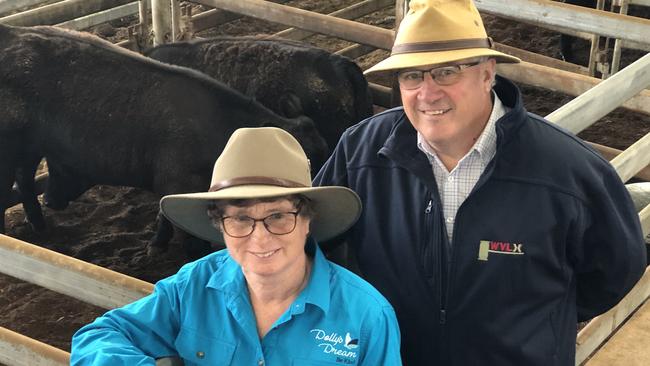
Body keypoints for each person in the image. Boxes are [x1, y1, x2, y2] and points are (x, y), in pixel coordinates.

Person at [313, 0, 647, 365]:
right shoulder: (362, 153)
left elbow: (615, 271)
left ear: (488, 73)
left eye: (446, 72)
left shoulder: (568, 170)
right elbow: (316, 242)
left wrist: (536, 326)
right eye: (412, 75)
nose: (427, 93)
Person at [70, 127, 402, 365]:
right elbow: (98, 337)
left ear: (307, 220)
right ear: (220, 225)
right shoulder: (192, 285)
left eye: (278, 216)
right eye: (240, 219)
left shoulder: (367, 315)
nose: (260, 238)